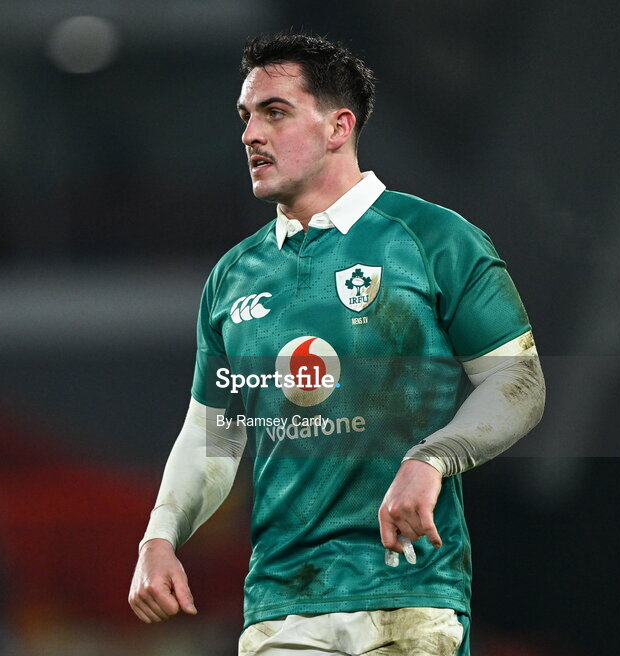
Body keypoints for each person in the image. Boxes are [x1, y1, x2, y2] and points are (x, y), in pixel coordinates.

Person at [129, 33, 545, 656]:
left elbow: (519, 383)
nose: (250, 135)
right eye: (246, 117)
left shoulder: (435, 239)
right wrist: (159, 538)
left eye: (275, 112)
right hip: (283, 608)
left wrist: (434, 458)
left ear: (338, 127)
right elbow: (214, 436)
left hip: (410, 597)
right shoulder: (233, 278)